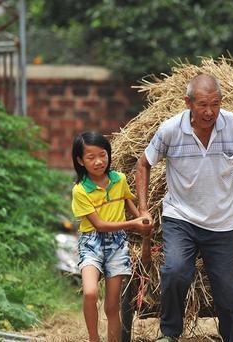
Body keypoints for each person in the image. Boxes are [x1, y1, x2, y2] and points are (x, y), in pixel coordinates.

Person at [135, 74, 233, 342]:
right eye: (202, 104)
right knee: (176, 271)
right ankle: (169, 333)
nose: (209, 111)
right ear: (188, 102)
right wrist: (144, 209)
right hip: (181, 217)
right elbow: (143, 164)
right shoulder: (170, 130)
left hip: (225, 222)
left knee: (229, 290)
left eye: (215, 104)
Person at [71, 131, 153, 342]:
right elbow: (99, 224)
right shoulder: (80, 191)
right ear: (80, 161)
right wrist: (133, 224)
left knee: (112, 306)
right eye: (91, 157)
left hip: (117, 245)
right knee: (90, 292)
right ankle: (93, 338)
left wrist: (142, 220)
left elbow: (127, 201)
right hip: (91, 243)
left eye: (103, 154)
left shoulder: (119, 180)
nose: (99, 161)